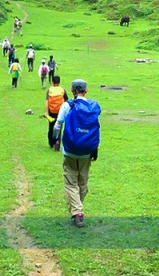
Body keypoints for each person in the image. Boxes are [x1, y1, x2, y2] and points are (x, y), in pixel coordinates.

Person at [52, 79, 101, 228]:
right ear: (86, 91)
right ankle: (76, 211)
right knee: (83, 183)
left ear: (72, 90)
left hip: (70, 151)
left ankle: (78, 213)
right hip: (87, 152)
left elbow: (58, 124)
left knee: (70, 183)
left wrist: (56, 140)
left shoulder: (67, 105)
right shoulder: (92, 107)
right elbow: (96, 129)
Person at [45, 76, 69, 148]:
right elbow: (66, 101)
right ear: (59, 82)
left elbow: (47, 102)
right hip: (60, 111)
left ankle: (51, 143)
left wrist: (46, 112)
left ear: (52, 82)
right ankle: (57, 142)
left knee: (51, 126)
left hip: (51, 111)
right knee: (59, 127)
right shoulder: (62, 90)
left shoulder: (49, 90)